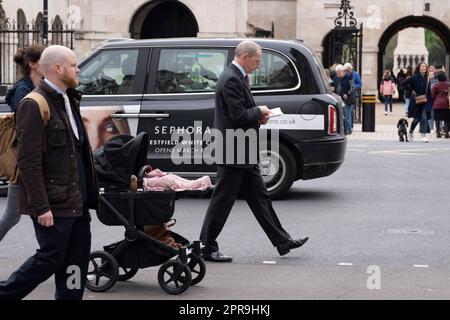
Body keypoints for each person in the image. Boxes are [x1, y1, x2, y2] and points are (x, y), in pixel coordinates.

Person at [0, 45, 99, 300]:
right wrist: (41, 207)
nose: (78, 70)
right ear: (57, 68)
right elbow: (28, 162)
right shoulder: (34, 104)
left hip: (77, 201)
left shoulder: (70, 98)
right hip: (53, 204)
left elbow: (78, 152)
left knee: (76, 263)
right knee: (50, 258)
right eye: (74, 65)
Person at [199, 40, 309, 262]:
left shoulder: (238, 76)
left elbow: (240, 114)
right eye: (257, 60)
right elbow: (238, 116)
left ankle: (282, 241)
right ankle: (207, 246)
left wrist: (259, 116)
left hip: (241, 149)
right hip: (233, 150)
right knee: (222, 202)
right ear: (245, 57)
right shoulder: (230, 79)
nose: (259, 65)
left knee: (260, 198)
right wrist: (259, 110)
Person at [0, 45, 45, 242]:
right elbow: (26, 127)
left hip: (34, 158)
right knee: (12, 215)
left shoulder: (40, 85)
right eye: (45, 60)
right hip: (25, 159)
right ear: (33, 64)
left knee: (17, 215)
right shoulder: (22, 90)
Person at [401, 62, 432, 142]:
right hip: (416, 101)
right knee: (417, 119)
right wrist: (412, 90)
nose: (424, 68)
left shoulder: (427, 78)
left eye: (425, 67)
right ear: (419, 68)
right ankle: (411, 131)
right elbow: (403, 83)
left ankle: (423, 135)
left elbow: (428, 89)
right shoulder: (414, 77)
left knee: (424, 119)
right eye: (422, 66)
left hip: (425, 100)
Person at [333, 64, 354, 135]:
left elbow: (352, 87)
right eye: (337, 72)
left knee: (347, 115)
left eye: (339, 71)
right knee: (340, 116)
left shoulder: (349, 77)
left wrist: (347, 94)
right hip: (338, 99)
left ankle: (348, 130)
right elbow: (334, 86)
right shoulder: (336, 78)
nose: (338, 73)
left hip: (347, 99)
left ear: (343, 71)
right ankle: (342, 129)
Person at [431, 72, 450, 138]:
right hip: (447, 104)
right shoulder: (448, 84)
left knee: (437, 119)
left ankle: (438, 133)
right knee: (447, 119)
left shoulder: (435, 85)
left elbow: (432, 95)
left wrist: (433, 101)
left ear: (438, 78)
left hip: (437, 104)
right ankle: (447, 133)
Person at [344, 63, 362, 128]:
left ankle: (350, 125)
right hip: (345, 95)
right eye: (346, 70)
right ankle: (348, 125)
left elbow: (360, 84)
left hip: (352, 95)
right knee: (346, 111)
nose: (347, 71)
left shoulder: (356, 74)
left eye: (348, 70)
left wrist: (353, 86)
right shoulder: (345, 74)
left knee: (351, 110)